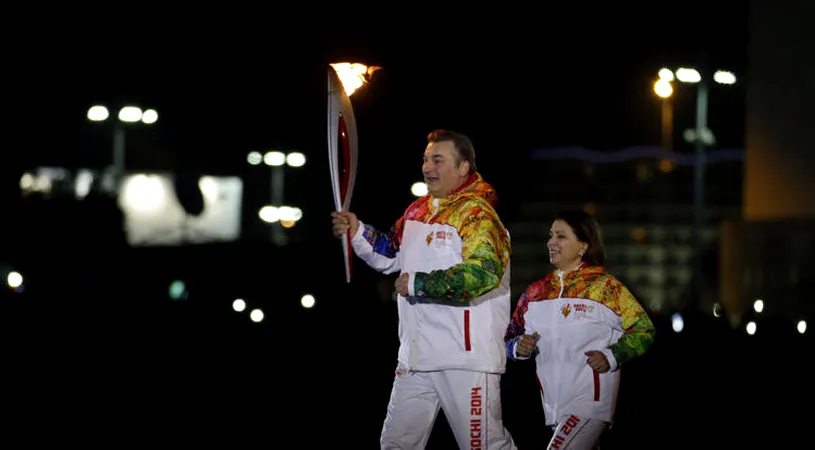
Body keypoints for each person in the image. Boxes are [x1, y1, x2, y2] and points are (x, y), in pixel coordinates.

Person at [331, 129, 517, 449]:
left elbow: (484, 272)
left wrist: (419, 283)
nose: (427, 166)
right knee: (395, 444)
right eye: (426, 159)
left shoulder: (477, 214)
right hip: (416, 356)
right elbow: (391, 254)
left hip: (464, 358)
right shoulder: (418, 211)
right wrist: (356, 230)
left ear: (463, 168)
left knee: (484, 445)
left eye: (438, 159)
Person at [504, 210, 655, 450]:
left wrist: (612, 356)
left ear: (583, 245)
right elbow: (509, 339)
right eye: (551, 235)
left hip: (590, 405)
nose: (551, 242)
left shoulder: (605, 289)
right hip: (554, 409)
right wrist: (519, 348)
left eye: (561, 236)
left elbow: (644, 330)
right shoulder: (535, 293)